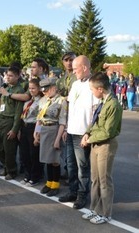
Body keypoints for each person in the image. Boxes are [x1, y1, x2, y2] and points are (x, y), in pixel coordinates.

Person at [81, 72, 122, 224]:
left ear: (100, 89)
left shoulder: (113, 105)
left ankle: (105, 213)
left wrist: (89, 139)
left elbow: (108, 131)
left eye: (92, 89)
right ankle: (95, 209)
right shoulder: (102, 102)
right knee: (95, 180)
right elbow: (94, 122)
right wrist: (86, 133)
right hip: (95, 144)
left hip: (106, 145)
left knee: (104, 180)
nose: (92, 92)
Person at [58, 55, 99, 209]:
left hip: (82, 133)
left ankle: (82, 195)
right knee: (71, 165)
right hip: (71, 131)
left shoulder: (93, 84)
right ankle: (73, 191)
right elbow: (71, 108)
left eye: (76, 69)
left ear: (85, 68)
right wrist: (66, 128)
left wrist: (89, 133)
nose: (73, 71)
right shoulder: (75, 84)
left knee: (83, 167)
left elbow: (96, 112)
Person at [34, 78, 67, 196]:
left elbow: (62, 122)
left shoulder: (61, 101)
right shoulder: (43, 100)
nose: (45, 93)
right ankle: (48, 183)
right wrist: (36, 133)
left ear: (53, 88)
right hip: (44, 130)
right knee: (47, 159)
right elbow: (39, 119)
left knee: (54, 160)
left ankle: (55, 184)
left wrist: (58, 140)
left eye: (47, 90)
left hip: (54, 130)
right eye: (43, 91)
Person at [0, 66, 24, 180]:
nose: (8, 78)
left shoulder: (18, 90)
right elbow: (1, 103)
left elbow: (18, 112)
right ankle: (6, 165)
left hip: (10, 120)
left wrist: (15, 129)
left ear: (17, 76)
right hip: (1, 118)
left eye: (11, 76)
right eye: (7, 75)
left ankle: (11, 170)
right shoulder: (5, 88)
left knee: (9, 148)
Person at [19, 79, 44, 186]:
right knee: (24, 153)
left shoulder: (41, 101)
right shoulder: (29, 100)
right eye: (29, 88)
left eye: (33, 88)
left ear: (39, 89)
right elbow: (23, 116)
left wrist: (37, 133)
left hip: (33, 127)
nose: (31, 90)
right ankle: (27, 174)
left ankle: (35, 176)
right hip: (24, 127)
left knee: (33, 153)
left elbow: (40, 119)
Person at [56, 51, 77, 180]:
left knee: (75, 148)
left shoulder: (78, 77)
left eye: (71, 60)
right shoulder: (61, 80)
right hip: (64, 113)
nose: (69, 62)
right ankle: (68, 170)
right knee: (65, 146)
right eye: (66, 60)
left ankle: (73, 174)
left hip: (75, 114)